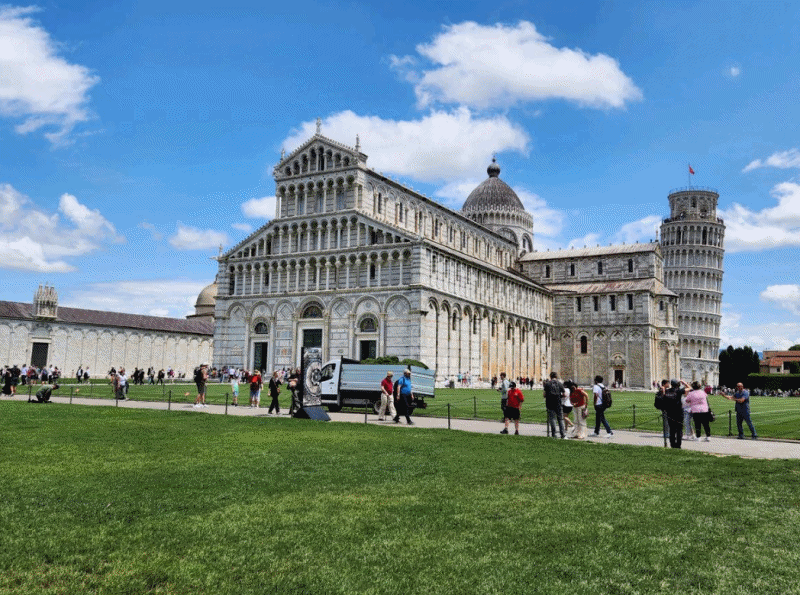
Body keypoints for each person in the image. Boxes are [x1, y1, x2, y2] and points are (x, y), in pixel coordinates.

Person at [663, 379, 688, 448]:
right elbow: (690, 388)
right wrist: (684, 383)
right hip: (678, 412)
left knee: (672, 429)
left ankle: (672, 444)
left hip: (670, 412)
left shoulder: (667, 391)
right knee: (679, 429)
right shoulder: (679, 390)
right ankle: (678, 445)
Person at [543, 372, 566, 439]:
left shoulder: (547, 384)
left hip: (550, 403)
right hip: (558, 403)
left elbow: (544, 394)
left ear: (550, 376)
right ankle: (562, 434)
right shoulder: (560, 383)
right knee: (560, 419)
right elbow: (564, 394)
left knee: (552, 419)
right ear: (556, 376)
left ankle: (554, 434)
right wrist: (560, 396)